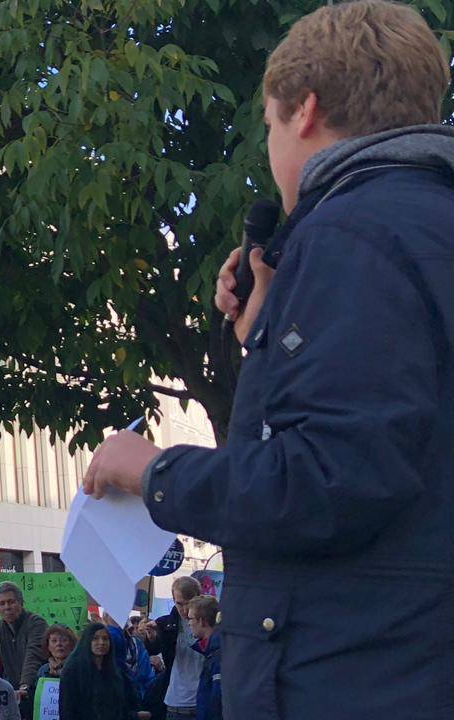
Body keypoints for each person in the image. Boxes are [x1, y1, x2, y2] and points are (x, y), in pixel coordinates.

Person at [79, 4, 454, 717]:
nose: (270, 146)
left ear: (305, 110)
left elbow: (330, 478)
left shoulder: (349, 236)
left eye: (270, 125)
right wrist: (272, 336)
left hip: (355, 671)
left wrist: (155, 471)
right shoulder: (418, 227)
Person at [139, 578, 201, 720]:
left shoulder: (210, 622)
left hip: (204, 697)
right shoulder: (166, 623)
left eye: (188, 603)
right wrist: (152, 637)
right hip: (177, 700)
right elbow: (153, 650)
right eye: (179, 603)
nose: (184, 610)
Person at [57, 624, 147, 720]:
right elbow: (67, 710)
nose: (101, 642)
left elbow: (121, 707)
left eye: (105, 639)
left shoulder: (115, 671)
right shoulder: (73, 671)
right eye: (95, 638)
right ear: (87, 641)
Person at [0, 583, 46, 705]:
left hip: (35, 690)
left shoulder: (36, 623)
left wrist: (25, 685)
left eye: (11, 602)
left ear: (21, 602)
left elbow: (33, 655)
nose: (7, 607)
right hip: (10, 692)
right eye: (1, 603)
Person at [184, 599, 219, 720]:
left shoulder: (218, 656)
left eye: (190, 618)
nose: (188, 623)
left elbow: (217, 703)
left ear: (202, 621)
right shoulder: (210, 652)